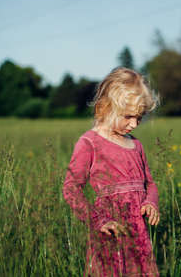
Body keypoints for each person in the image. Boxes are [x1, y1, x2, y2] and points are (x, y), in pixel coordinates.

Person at [63, 67, 160, 276]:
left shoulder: (136, 145)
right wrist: (98, 219)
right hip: (109, 231)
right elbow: (71, 188)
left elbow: (149, 184)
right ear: (105, 107)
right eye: (128, 117)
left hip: (138, 234)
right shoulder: (89, 142)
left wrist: (151, 202)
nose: (134, 124)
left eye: (139, 118)